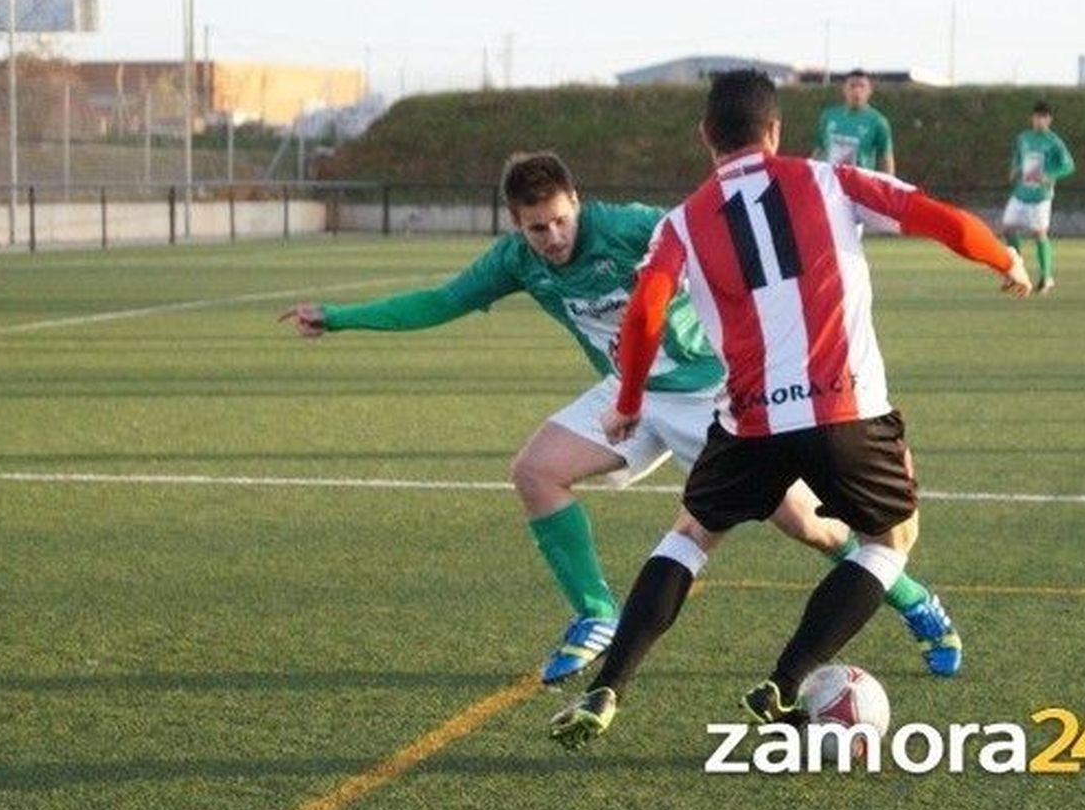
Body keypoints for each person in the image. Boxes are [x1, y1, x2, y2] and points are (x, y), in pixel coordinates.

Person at [279, 152, 962, 686]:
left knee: (809, 525)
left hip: (711, 395)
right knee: (536, 471)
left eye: (558, 221)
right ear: (516, 222)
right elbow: (441, 300)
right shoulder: (516, 261)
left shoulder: (636, 226)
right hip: (627, 397)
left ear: (577, 203)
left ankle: (914, 600)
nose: (550, 237)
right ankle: (596, 613)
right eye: (534, 226)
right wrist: (339, 319)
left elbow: (729, 250)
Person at [550, 70, 1031, 748]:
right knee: (891, 542)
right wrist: (1004, 256)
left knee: (688, 535)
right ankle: (785, 678)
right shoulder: (831, 179)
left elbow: (645, 311)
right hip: (848, 413)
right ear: (774, 130)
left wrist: (627, 401)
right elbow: (941, 218)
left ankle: (609, 684)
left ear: (705, 137)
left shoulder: (682, 220)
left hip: (748, 423)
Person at [1001, 100, 1075, 294]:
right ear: (1032, 118)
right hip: (1020, 192)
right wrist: (1014, 169)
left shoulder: (1055, 142)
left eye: (1043, 117)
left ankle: (1047, 276)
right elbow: (1018, 157)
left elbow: (1068, 166)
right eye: (1036, 117)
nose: (1039, 121)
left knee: (1039, 233)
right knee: (1008, 228)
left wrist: (1050, 176)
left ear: (1049, 119)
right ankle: (1015, 270)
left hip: (1041, 196)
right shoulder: (1023, 137)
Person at [812, 68, 895, 175]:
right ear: (844, 89)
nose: (857, 90)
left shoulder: (878, 121)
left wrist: (889, 188)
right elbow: (819, 150)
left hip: (860, 184)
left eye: (862, 86)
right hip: (832, 182)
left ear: (870, 91)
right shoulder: (829, 116)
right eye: (852, 86)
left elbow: (886, 158)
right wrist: (810, 176)